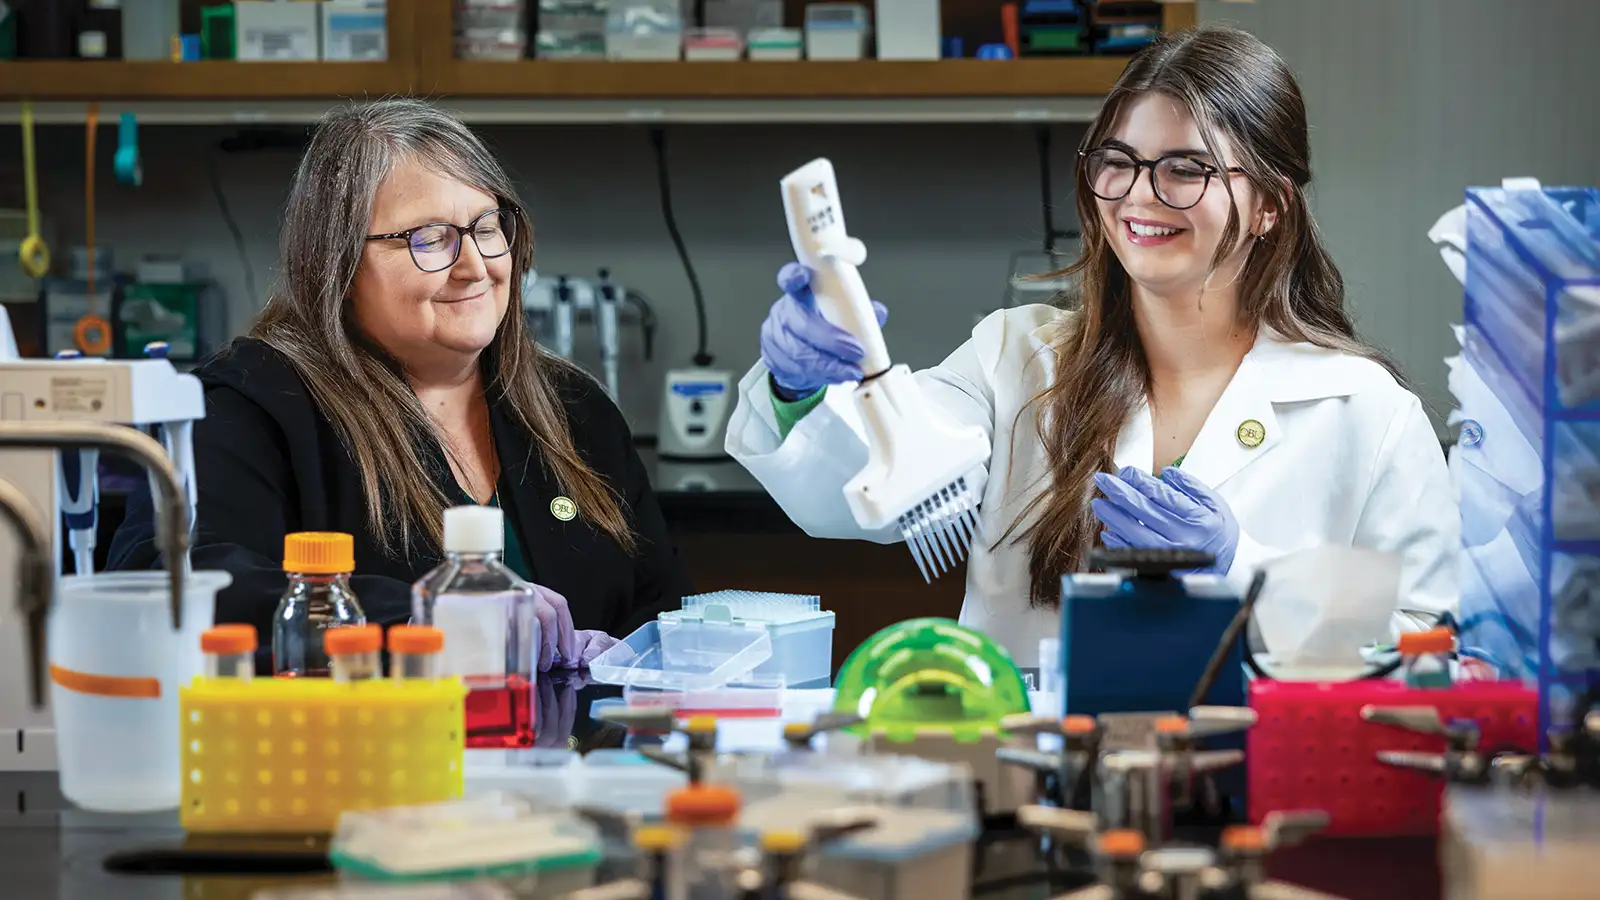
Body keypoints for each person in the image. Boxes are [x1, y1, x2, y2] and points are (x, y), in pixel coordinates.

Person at [726, 25, 1458, 668]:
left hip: (1251, 792)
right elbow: (876, 493)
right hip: (1026, 781)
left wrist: (1245, 571)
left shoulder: (1367, 413)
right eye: (1119, 160)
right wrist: (799, 390)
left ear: (1270, 203)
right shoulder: (1013, 358)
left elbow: (1429, 650)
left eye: (1186, 168)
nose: (1140, 195)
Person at [109, 99, 691, 669]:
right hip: (358, 755)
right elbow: (168, 579)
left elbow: (661, 616)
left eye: (487, 227)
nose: (474, 266)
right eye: (429, 237)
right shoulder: (255, 406)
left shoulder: (573, 409)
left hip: (576, 762)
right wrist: (423, 617)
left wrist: (630, 665)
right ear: (336, 263)